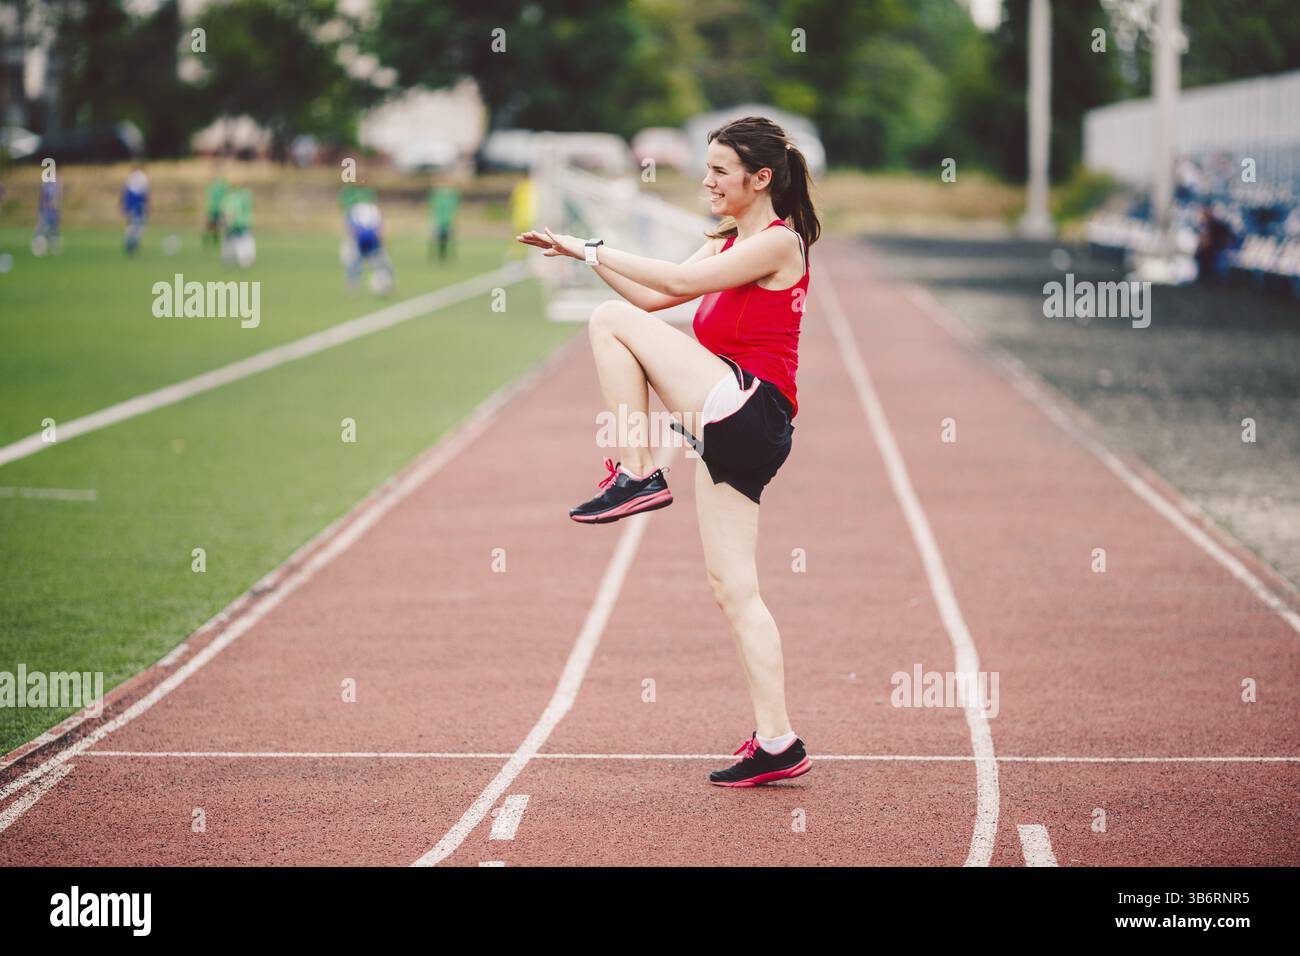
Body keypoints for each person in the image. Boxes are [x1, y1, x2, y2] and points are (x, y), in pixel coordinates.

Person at [516, 116, 818, 787]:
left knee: (607, 322)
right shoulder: (726, 242)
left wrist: (591, 249)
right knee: (733, 589)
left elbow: (675, 294)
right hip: (734, 421)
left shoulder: (777, 244)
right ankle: (779, 742)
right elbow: (655, 296)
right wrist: (583, 259)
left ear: (759, 178)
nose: (705, 181)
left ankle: (638, 471)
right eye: (704, 169)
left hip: (750, 409)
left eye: (718, 170)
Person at [342, 196, 395, 295]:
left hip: (364, 241)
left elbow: (350, 228)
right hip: (370, 241)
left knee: (356, 264)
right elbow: (380, 228)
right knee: (381, 263)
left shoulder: (357, 210)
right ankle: (352, 287)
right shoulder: (371, 209)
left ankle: (351, 288)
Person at [220, 184, 255, 269]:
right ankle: (243, 260)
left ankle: (230, 260)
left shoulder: (230, 198)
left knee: (230, 242)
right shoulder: (243, 197)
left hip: (235, 224)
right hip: (242, 223)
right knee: (243, 242)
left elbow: (227, 212)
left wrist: (226, 222)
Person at [430, 180, 461, 262]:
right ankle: (438, 256)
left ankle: (450, 256)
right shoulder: (437, 197)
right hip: (439, 222)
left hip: (449, 222)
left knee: (450, 240)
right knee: (437, 240)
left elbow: (457, 198)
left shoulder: (452, 197)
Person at [121, 166, 150, 256]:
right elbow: (146, 194)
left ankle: (130, 243)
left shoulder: (130, 177)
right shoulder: (143, 177)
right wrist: (148, 206)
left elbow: (125, 192)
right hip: (138, 204)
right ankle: (132, 244)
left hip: (131, 203)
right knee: (138, 225)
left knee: (132, 225)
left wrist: (123, 205)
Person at [32, 177, 62, 256]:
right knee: (47, 231)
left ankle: (45, 249)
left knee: (45, 231)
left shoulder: (47, 185)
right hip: (49, 212)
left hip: (48, 212)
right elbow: (55, 200)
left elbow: (42, 199)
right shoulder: (53, 185)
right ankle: (48, 249)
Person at [204, 163, 228, 250]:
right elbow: (209, 199)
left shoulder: (222, 185)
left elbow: (225, 197)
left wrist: (224, 209)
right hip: (213, 209)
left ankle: (216, 243)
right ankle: (207, 243)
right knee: (210, 226)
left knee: (217, 227)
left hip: (219, 209)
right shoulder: (212, 186)